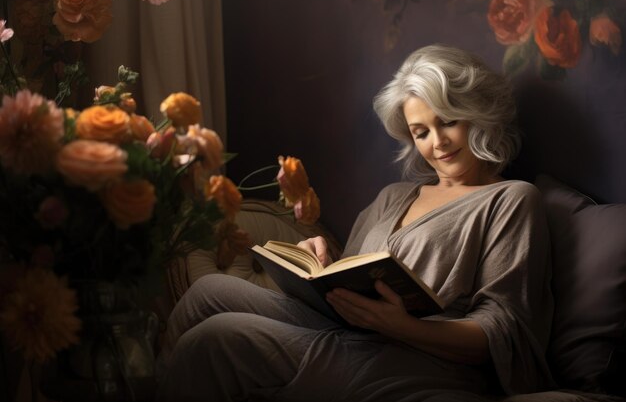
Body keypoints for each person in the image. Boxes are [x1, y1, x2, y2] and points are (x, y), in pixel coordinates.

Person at [155, 44, 555, 401]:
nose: (437, 142)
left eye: (448, 121)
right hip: (349, 328)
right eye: (421, 132)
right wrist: (322, 262)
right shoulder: (395, 196)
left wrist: (402, 327)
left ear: (477, 116)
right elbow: (354, 275)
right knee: (207, 290)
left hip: (411, 354)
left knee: (215, 338)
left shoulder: (510, 200)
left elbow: (503, 330)